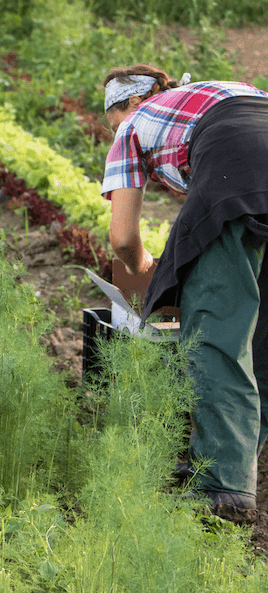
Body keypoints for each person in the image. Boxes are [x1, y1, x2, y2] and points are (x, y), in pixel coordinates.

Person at [100, 64, 268, 524]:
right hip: (254, 158)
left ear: (130, 104)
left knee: (213, 328)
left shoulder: (133, 123)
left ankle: (221, 485)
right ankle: (229, 454)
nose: (114, 130)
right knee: (262, 339)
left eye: (111, 120)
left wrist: (146, 272)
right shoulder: (213, 92)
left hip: (241, 175)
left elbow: (122, 240)